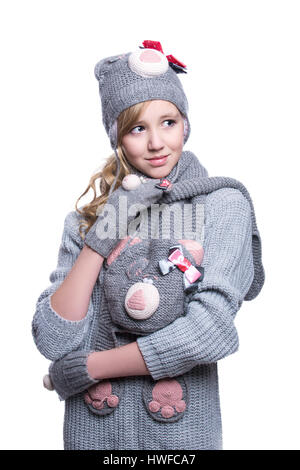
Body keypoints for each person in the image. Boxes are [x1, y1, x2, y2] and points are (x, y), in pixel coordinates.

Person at [32, 40, 265, 450]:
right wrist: (103, 234)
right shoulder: (86, 220)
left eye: (169, 122)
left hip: (181, 443)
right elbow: (54, 340)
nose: (157, 143)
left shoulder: (222, 205)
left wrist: (91, 366)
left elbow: (209, 332)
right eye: (138, 128)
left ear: (186, 124)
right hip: (93, 440)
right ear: (117, 137)